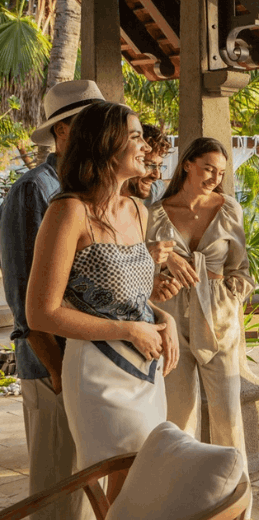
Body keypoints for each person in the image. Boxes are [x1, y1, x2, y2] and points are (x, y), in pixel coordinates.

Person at [25, 101, 179, 503]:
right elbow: (41, 312)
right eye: (134, 137)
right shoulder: (68, 212)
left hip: (145, 370)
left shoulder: (139, 211)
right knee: (124, 482)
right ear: (105, 145)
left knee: (143, 480)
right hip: (97, 372)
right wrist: (129, 330)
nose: (145, 146)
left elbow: (132, 300)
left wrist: (166, 321)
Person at [0, 80, 105, 520]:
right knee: (58, 492)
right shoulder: (34, 190)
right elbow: (26, 297)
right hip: (51, 367)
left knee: (86, 491)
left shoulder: (85, 187)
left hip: (85, 365)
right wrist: (60, 375)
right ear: (62, 132)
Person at [146, 137, 254, 511]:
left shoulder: (229, 210)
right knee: (178, 417)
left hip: (219, 324)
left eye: (221, 172)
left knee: (228, 419)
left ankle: (237, 507)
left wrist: (226, 291)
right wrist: (163, 266)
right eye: (208, 168)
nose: (214, 177)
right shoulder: (155, 213)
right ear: (187, 164)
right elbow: (140, 268)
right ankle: (184, 504)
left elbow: (241, 269)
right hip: (172, 322)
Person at [121, 123, 180, 302]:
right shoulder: (85, 209)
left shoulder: (142, 206)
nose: (156, 175)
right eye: (148, 164)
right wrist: (146, 255)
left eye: (160, 167)